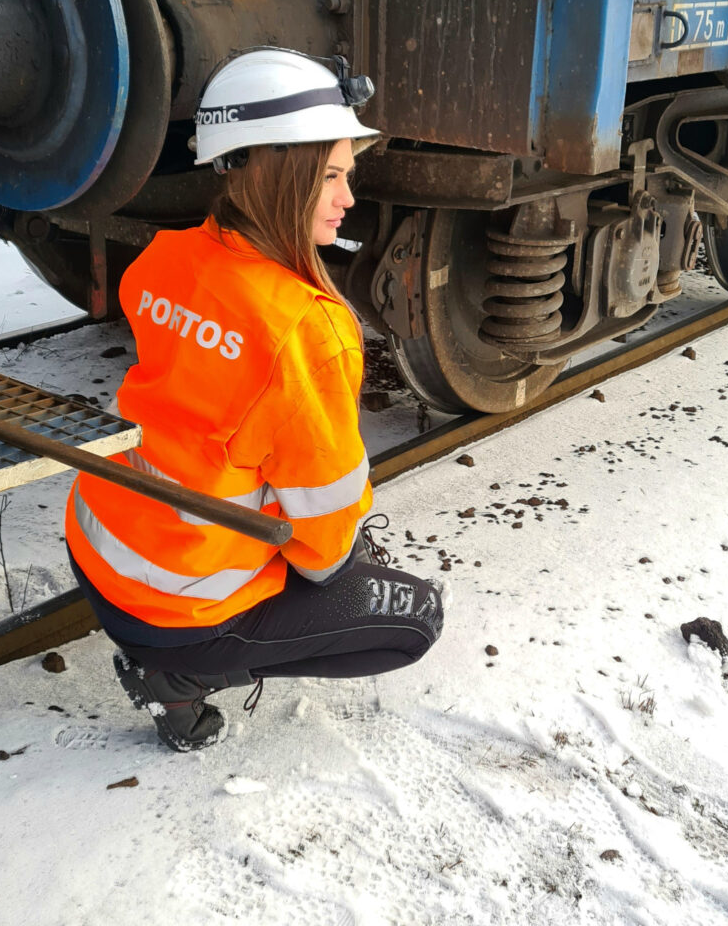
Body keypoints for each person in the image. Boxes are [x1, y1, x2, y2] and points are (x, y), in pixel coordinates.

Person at [64, 47, 444, 752]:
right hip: (180, 609)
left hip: (94, 544)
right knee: (417, 619)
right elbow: (325, 552)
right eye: (331, 176)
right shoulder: (309, 328)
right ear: (276, 174)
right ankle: (176, 678)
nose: (348, 199)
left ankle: (173, 662)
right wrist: (346, 550)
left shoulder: (164, 260)